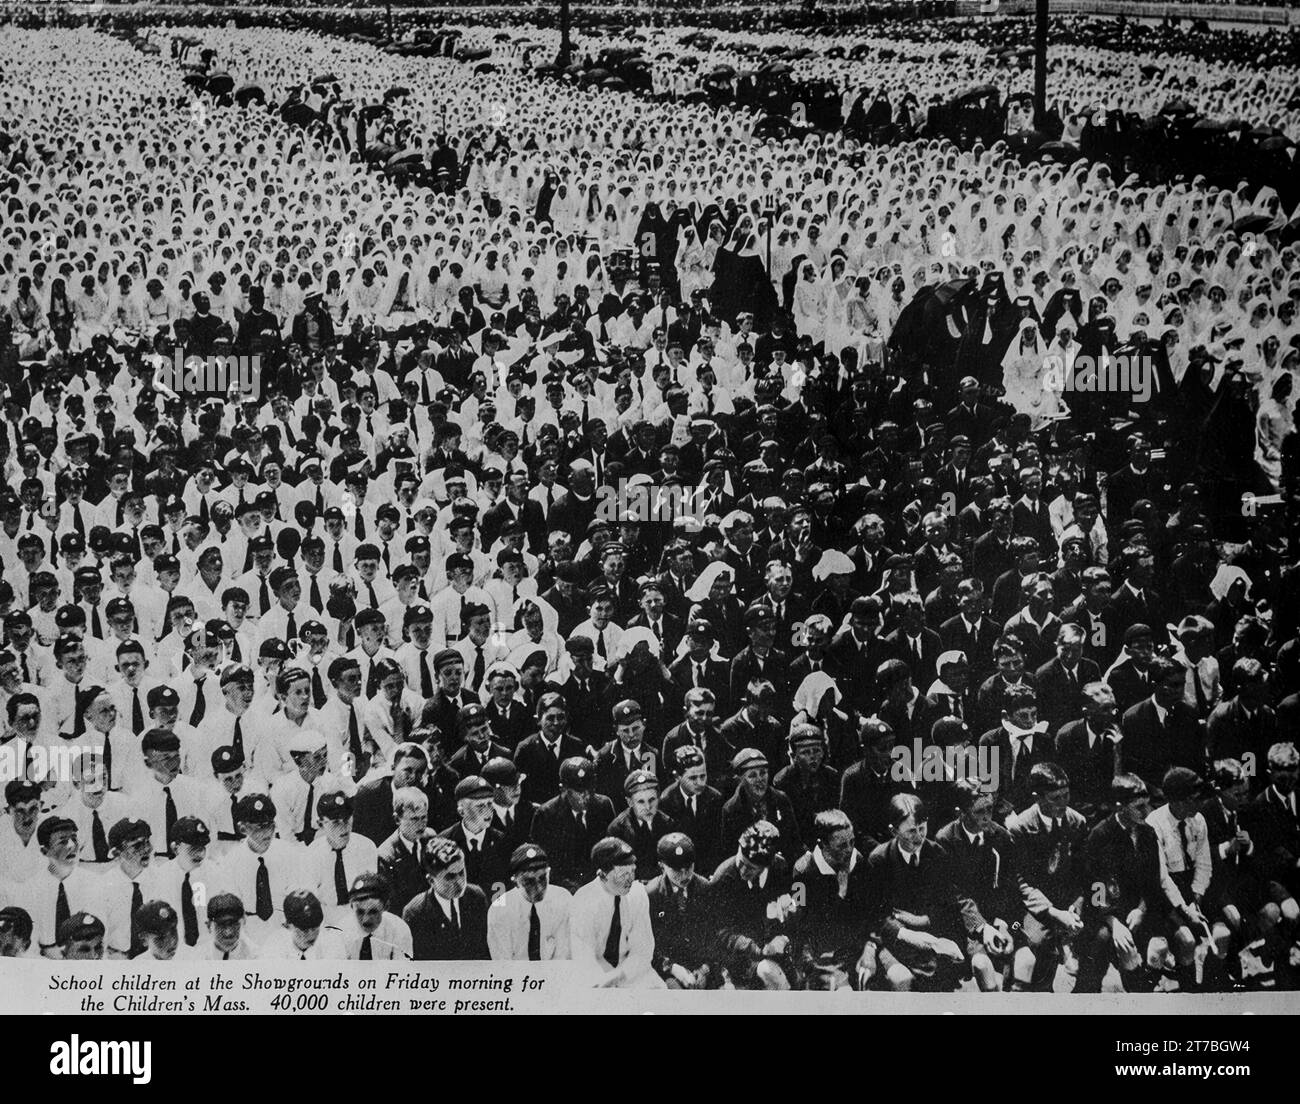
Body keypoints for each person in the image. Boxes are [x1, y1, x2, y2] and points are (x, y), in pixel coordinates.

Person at [569, 837, 661, 988]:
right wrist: (603, 982)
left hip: (629, 970)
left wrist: (619, 976)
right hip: (595, 971)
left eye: (632, 871)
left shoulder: (638, 894)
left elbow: (642, 950)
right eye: (622, 874)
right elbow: (584, 955)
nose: (630, 879)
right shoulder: (584, 900)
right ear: (602, 874)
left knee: (660, 993)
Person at [403, 837, 489, 960]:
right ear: (431, 880)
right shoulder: (415, 913)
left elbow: (484, 950)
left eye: (461, 872)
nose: (459, 882)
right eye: (450, 877)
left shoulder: (476, 897)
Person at [487, 844, 572, 962]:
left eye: (543, 878)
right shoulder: (500, 909)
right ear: (515, 880)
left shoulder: (563, 899)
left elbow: (564, 955)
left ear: (549, 873)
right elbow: (503, 964)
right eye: (529, 882)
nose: (538, 889)